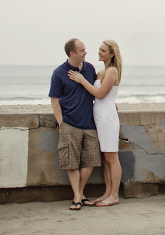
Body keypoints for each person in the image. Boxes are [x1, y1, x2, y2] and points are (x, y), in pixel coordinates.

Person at [68, 39, 123, 207]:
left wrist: (82, 80)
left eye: (103, 51)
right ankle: (107, 192)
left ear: (112, 54)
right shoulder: (101, 72)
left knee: (112, 157)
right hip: (99, 118)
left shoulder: (112, 71)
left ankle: (114, 195)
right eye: (99, 49)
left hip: (107, 119)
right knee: (105, 158)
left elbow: (99, 94)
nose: (99, 52)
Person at [49, 38, 101, 210]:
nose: (86, 52)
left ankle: (79, 193)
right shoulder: (59, 72)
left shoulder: (89, 68)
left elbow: (94, 91)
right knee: (70, 162)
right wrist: (61, 123)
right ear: (72, 53)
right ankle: (78, 197)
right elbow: (55, 100)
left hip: (90, 123)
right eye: (82, 50)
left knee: (90, 161)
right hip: (69, 123)